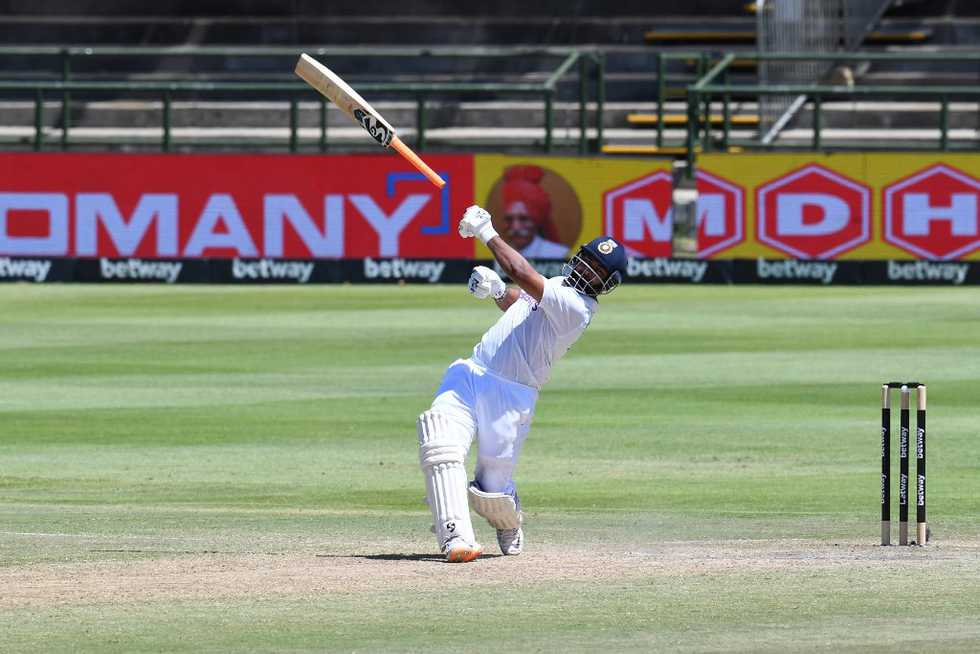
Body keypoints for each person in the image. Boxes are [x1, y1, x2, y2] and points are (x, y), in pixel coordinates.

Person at [416, 204, 628, 562]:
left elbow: (520, 270)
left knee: (490, 492)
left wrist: (487, 232)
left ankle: (508, 515)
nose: (587, 269)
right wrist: (499, 291)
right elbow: (523, 302)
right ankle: (456, 539)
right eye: (587, 259)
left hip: (512, 396)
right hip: (472, 372)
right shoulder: (558, 286)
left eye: (597, 270)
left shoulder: (578, 308)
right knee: (441, 445)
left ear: (604, 284)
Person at [499, 165, 569, 258]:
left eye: (523, 219)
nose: (516, 227)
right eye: (509, 219)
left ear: (537, 221)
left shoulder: (560, 254)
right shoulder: (499, 254)